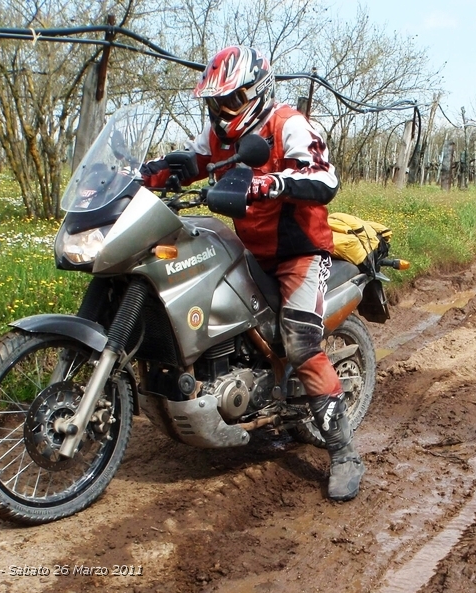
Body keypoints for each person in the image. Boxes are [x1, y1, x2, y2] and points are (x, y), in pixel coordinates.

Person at [140, 46, 364, 502]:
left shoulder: (289, 124)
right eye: (214, 103)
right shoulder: (219, 135)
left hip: (297, 253)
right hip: (250, 247)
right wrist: (148, 175)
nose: (221, 113)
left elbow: (325, 180)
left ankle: (343, 452)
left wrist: (276, 181)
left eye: (230, 101)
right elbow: (193, 161)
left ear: (255, 93)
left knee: (302, 344)